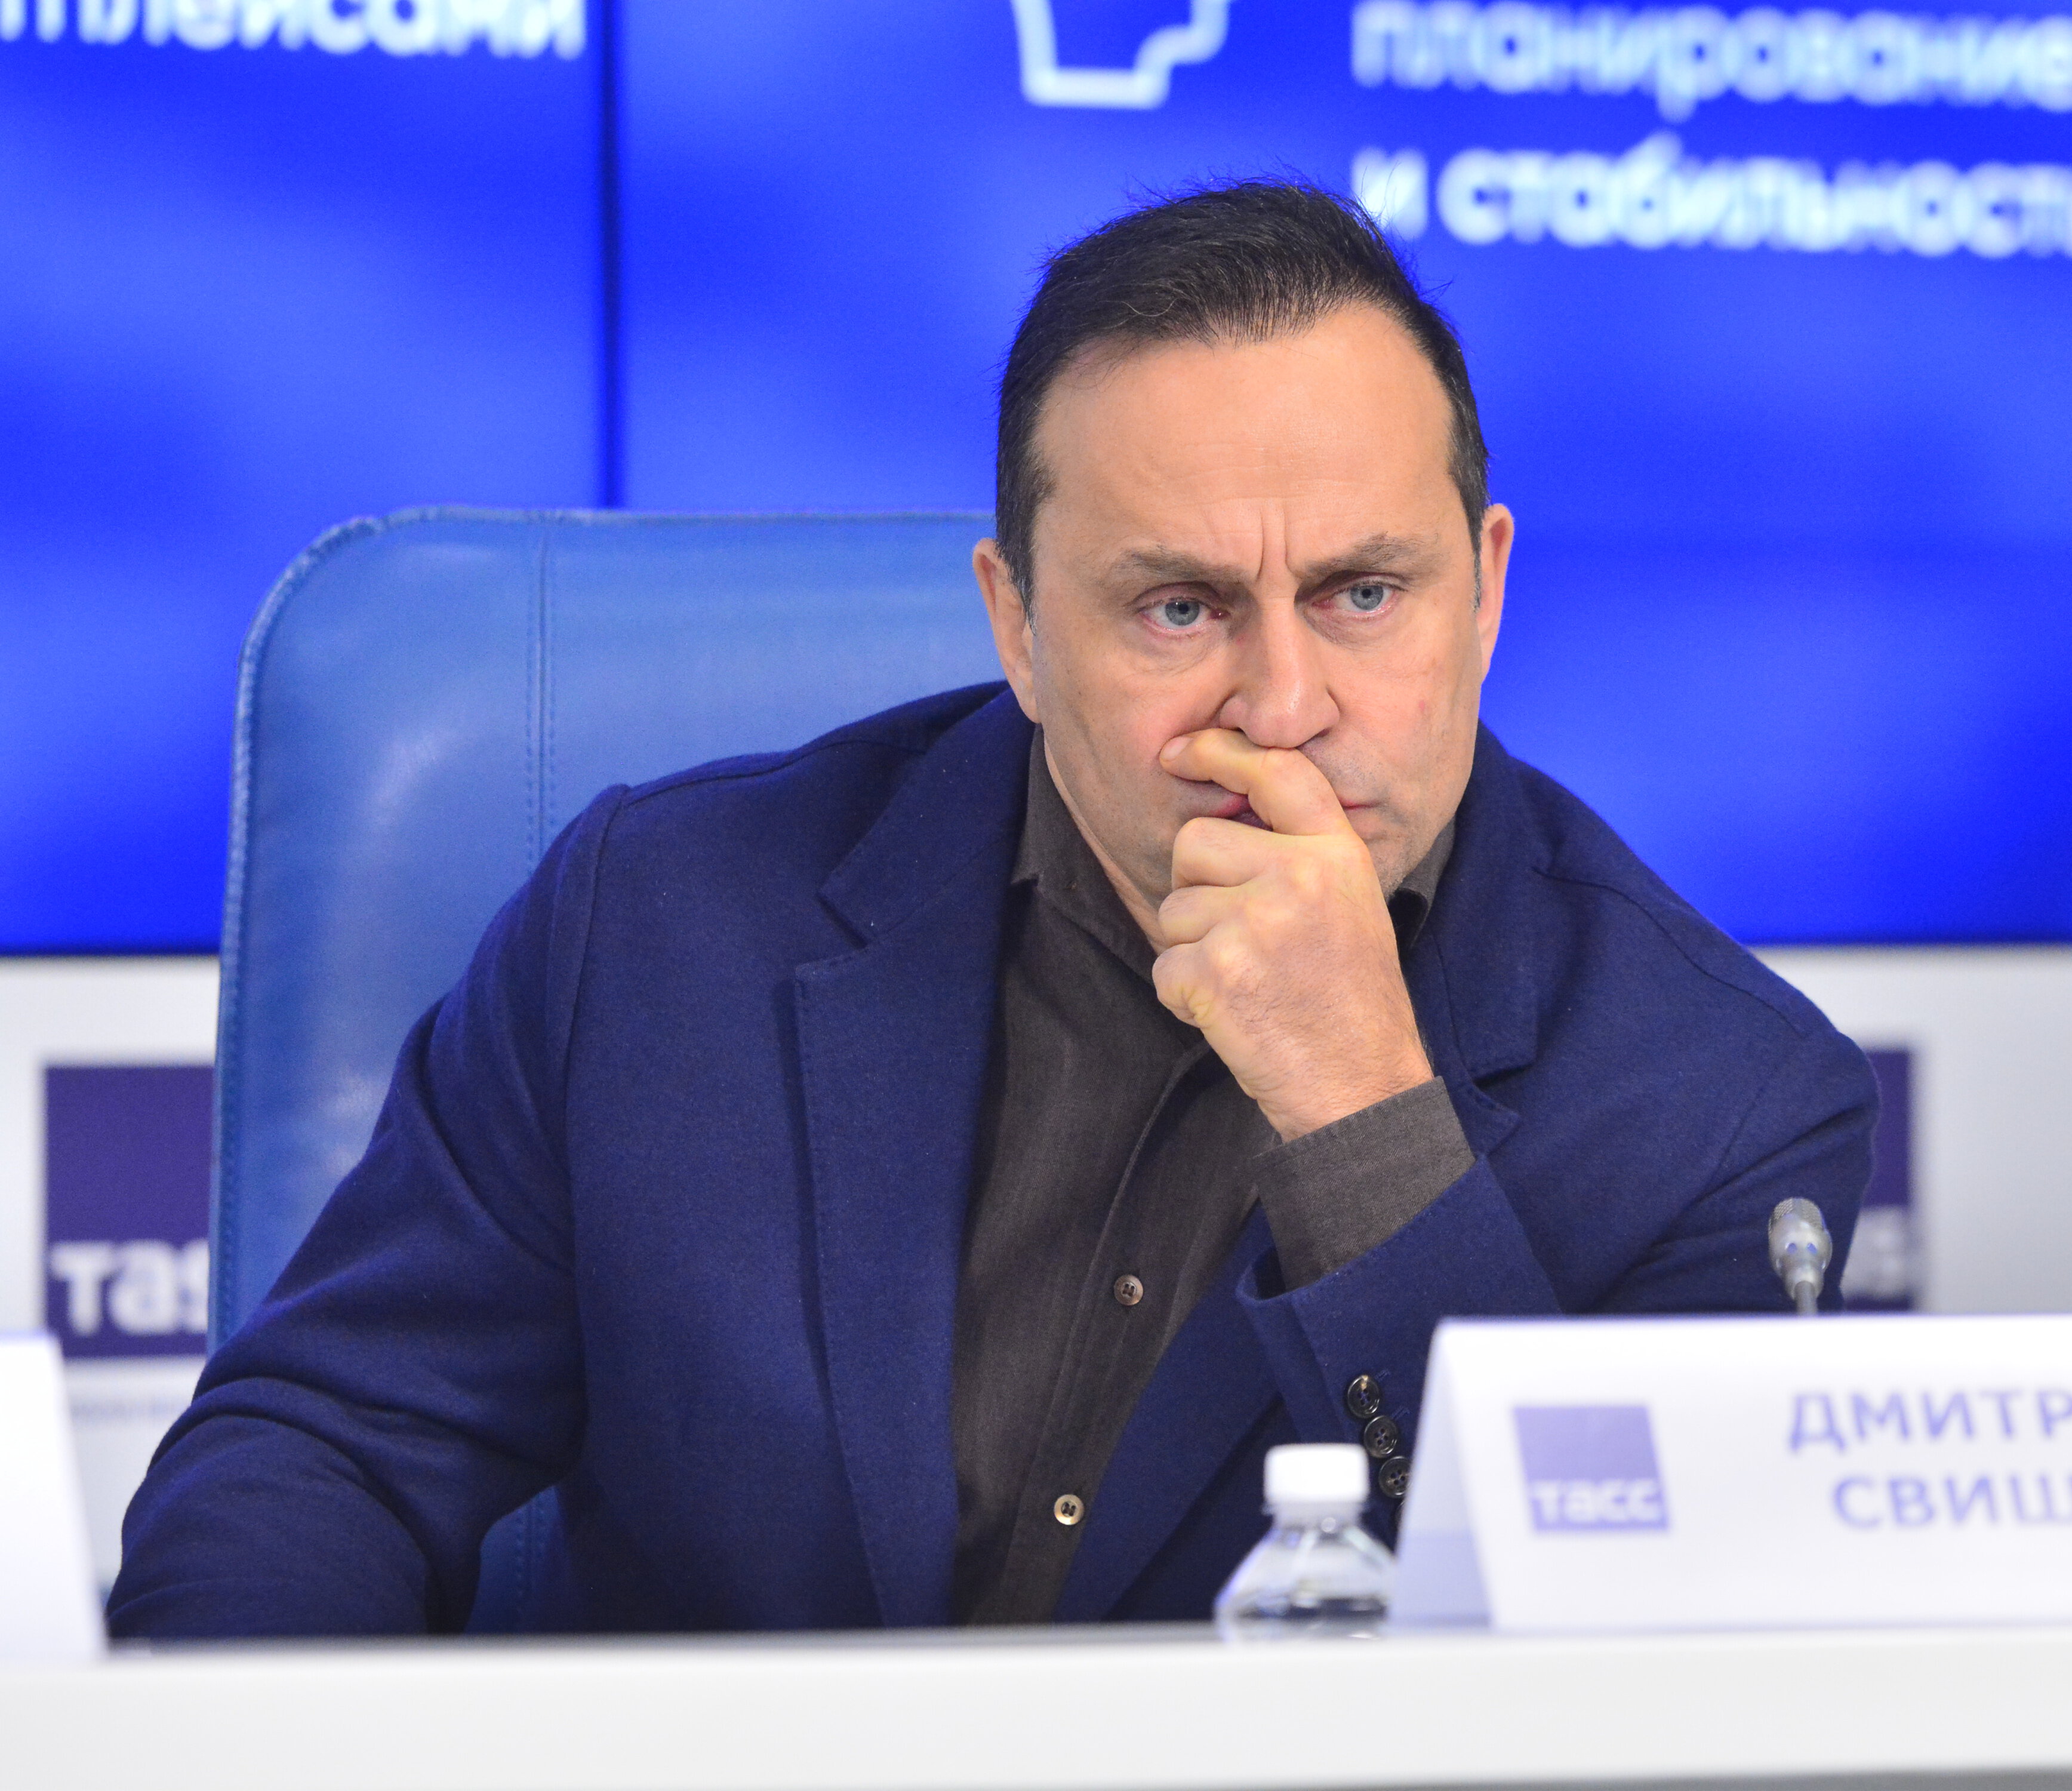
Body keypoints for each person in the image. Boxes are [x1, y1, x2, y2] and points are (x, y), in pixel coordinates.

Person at [110, 182, 1876, 1636]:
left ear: (1483, 595)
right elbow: (322, 1451)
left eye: (1361, 594)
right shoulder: (651, 926)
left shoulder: (1721, 1106)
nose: (1280, 707)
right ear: (1017, 626)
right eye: (1178, 608)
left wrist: (1364, 1120)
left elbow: (1634, 1677)